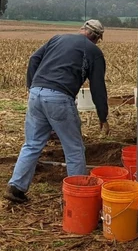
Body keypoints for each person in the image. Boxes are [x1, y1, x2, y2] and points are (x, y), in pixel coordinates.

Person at [4, 20, 109, 204]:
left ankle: (16, 187)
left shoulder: (58, 39)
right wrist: (103, 116)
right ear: (96, 38)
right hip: (59, 98)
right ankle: (78, 197)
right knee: (74, 148)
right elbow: (97, 87)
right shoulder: (94, 52)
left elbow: (33, 59)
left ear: (82, 29)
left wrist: (32, 86)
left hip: (36, 95)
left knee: (32, 144)